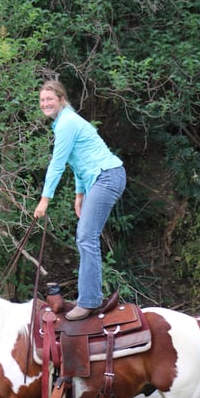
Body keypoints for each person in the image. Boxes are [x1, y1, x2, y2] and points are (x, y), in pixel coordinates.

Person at [33, 80, 127, 320]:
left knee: (86, 236)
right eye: (43, 100)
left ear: (61, 99)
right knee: (86, 236)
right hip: (100, 178)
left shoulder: (67, 123)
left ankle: (89, 301)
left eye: (50, 99)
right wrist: (80, 195)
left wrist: (45, 200)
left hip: (107, 176)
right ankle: (90, 297)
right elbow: (79, 163)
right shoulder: (66, 121)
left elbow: (58, 163)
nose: (45, 103)